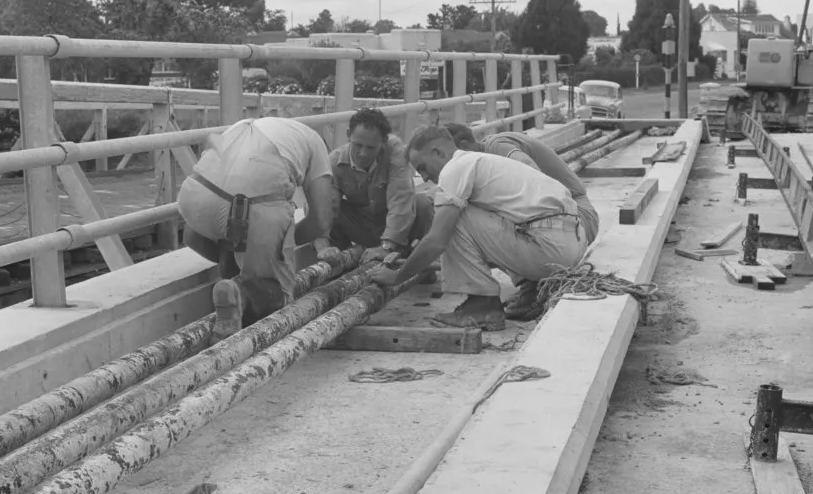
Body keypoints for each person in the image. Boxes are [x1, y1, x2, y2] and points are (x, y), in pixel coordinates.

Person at [368, 125, 587, 331]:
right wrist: (413, 262)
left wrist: (397, 277)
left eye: (422, 168)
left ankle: (482, 305)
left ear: (438, 152)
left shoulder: (455, 168)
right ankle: (528, 289)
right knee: (464, 211)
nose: (424, 177)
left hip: (549, 249)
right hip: (569, 244)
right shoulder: (480, 162)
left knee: (454, 217)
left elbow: (437, 241)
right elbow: (480, 244)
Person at [178, 117, 336, 341]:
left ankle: (232, 294)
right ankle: (241, 293)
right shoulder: (317, 145)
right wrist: (283, 245)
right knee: (277, 291)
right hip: (254, 202)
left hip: (195, 196)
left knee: (232, 233)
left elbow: (193, 238)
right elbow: (321, 221)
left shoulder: (245, 126)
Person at [443, 122, 599, 321]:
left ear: (464, 144)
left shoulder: (496, 147)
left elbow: (531, 173)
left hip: (578, 216)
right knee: (485, 216)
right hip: (571, 224)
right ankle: (532, 283)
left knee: (473, 214)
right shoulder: (485, 157)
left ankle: (533, 286)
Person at [297, 107, 433, 263]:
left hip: (394, 229)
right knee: (318, 201)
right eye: (358, 145)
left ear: (383, 142)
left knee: (423, 204)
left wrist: (387, 246)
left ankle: (414, 260)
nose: (363, 153)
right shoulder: (334, 162)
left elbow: (400, 199)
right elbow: (323, 209)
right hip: (362, 226)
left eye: (370, 148)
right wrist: (322, 247)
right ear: (348, 135)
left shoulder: (395, 152)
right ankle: (340, 261)